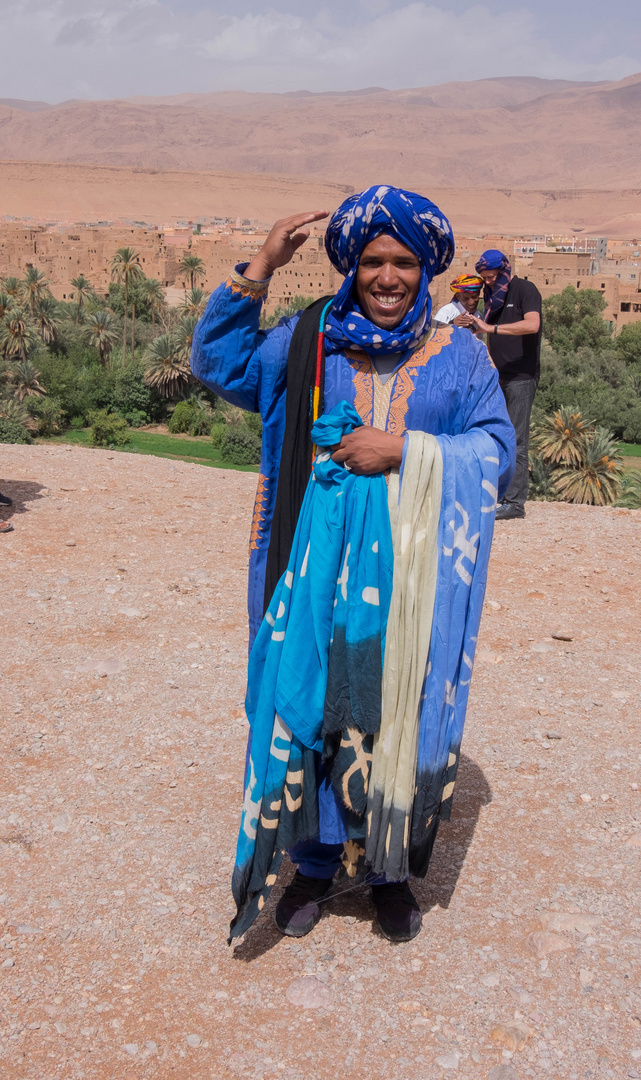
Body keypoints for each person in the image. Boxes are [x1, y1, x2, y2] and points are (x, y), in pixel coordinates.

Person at [191, 185, 515, 944]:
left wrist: (404, 451)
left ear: (426, 267)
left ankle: (387, 869)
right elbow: (218, 362)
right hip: (307, 571)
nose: (388, 277)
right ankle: (311, 858)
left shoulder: (460, 356)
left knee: (393, 709)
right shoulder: (307, 344)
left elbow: (496, 453)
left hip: (414, 577)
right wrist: (260, 265)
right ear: (350, 266)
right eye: (373, 260)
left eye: (404, 261)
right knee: (308, 705)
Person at [454, 250, 542, 520]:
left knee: (517, 438)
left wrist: (489, 329)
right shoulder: (494, 296)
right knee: (497, 434)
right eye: (485, 278)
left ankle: (515, 502)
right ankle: (500, 495)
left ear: (504, 270)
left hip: (521, 376)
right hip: (499, 375)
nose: (488, 282)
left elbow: (532, 325)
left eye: (491, 277)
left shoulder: (525, 290)